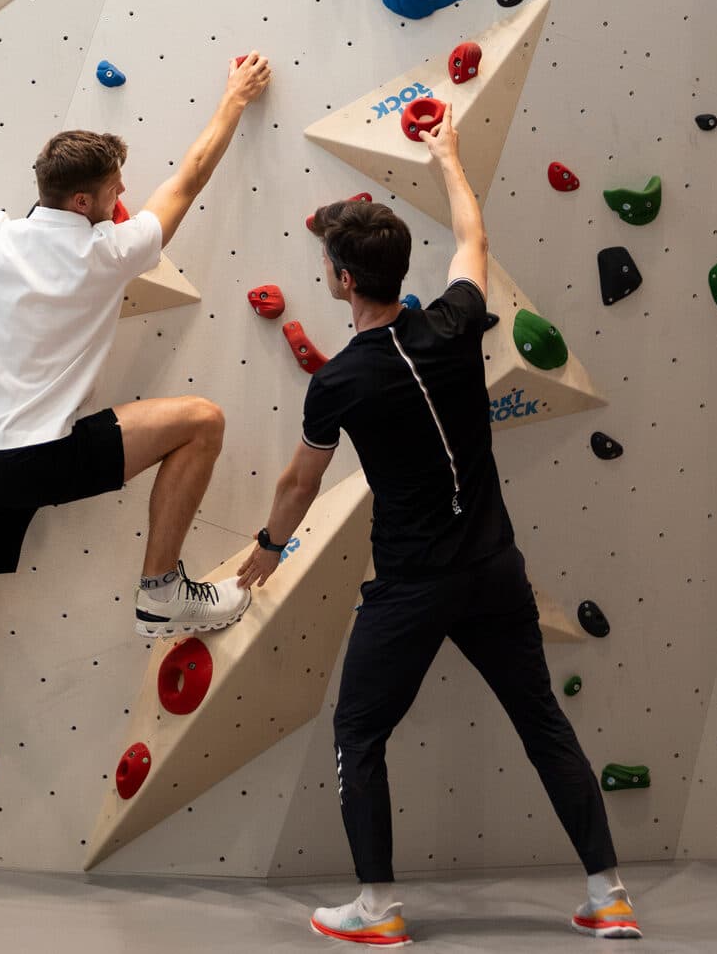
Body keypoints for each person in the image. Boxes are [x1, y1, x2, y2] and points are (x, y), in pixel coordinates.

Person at [0, 53, 274, 847]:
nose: (123, 201)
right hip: (42, 458)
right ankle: (161, 588)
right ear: (84, 199)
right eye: (112, 193)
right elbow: (192, 176)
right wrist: (234, 98)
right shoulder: (108, 251)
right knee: (201, 420)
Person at [234, 105, 641, 944]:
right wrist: (448, 155)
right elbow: (472, 239)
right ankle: (607, 896)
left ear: (343, 280)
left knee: (358, 730)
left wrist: (270, 549)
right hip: (493, 570)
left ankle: (377, 911)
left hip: (413, 585)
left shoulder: (338, 382)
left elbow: (298, 479)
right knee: (541, 723)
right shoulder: (456, 324)